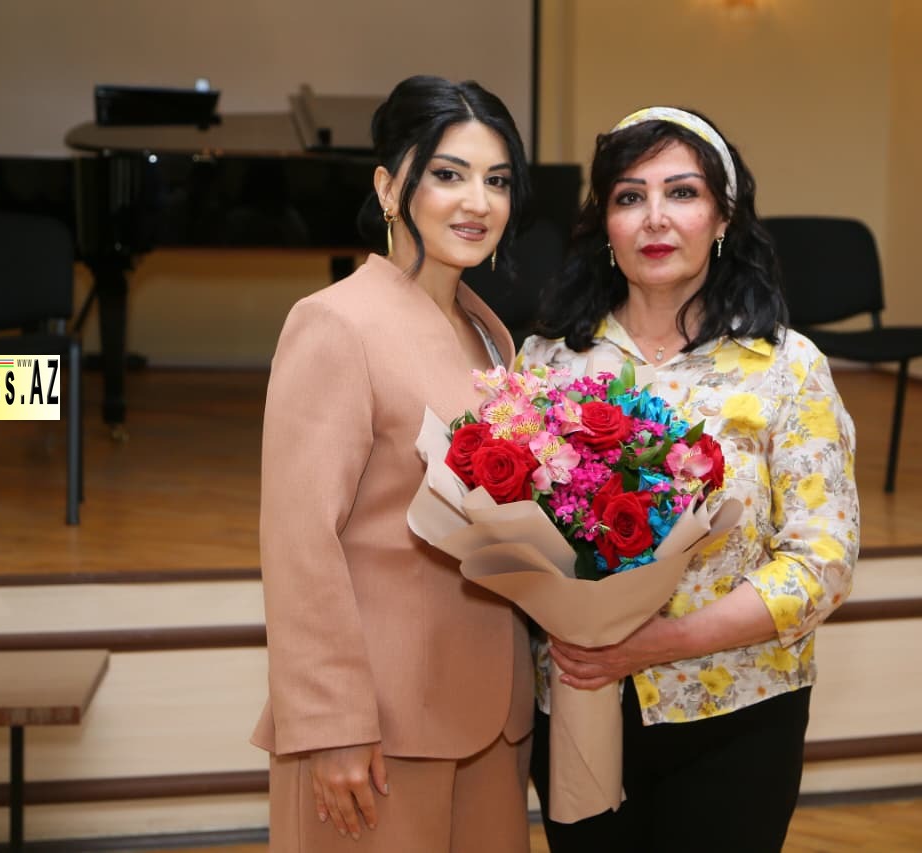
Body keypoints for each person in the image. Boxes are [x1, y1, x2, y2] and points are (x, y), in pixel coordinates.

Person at [517, 107, 860, 852]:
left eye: (682, 192)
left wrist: (658, 642)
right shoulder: (547, 362)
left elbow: (821, 565)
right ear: (604, 223)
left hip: (737, 713)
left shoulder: (787, 367)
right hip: (578, 703)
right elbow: (507, 535)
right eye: (629, 196)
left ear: (723, 217)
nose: (655, 218)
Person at [251, 75, 535, 851]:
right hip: (378, 724)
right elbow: (300, 540)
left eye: (497, 180)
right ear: (387, 187)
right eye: (448, 174)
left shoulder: (490, 334)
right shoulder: (335, 323)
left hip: (493, 716)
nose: (477, 201)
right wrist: (333, 722)